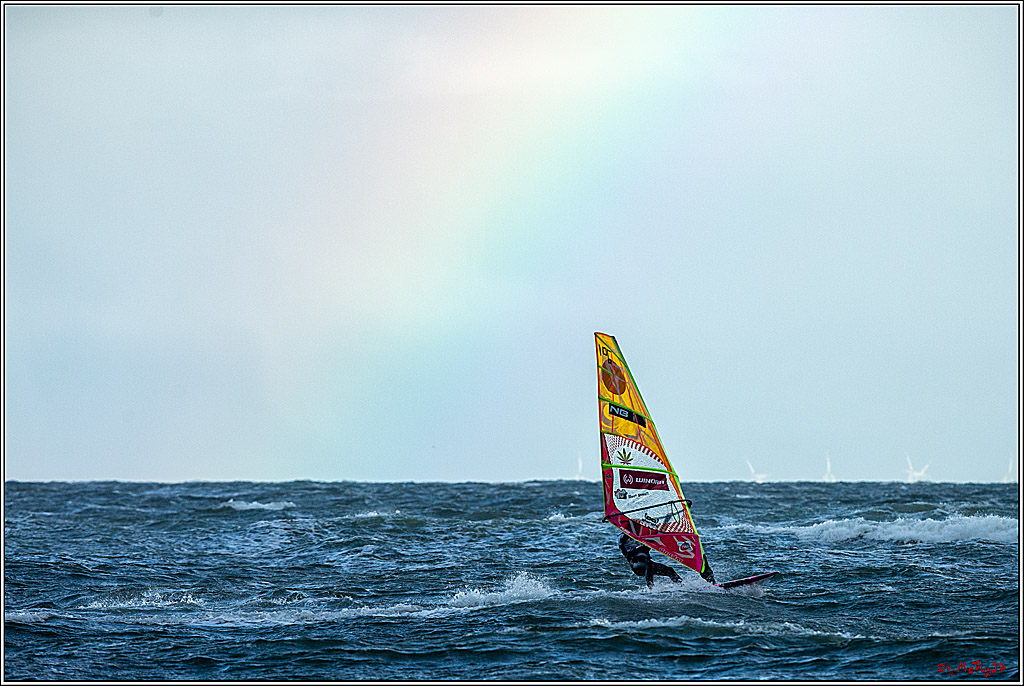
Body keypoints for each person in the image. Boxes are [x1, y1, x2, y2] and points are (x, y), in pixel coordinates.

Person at [617, 532, 717, 586]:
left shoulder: (644, 537)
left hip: (647, 563)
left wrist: (670, 516)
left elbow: (661, 531)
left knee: (670, 570)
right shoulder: (622, 537)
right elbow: (624, 538)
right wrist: (631, 530)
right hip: (636, 563)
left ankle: (681, 586)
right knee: (648, 564)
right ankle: (650, 588)